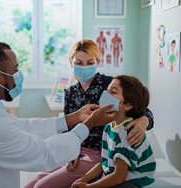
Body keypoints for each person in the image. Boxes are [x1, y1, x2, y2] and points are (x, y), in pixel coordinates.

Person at [0, 42, 116, 188]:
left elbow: (21, 126)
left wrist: (74, 118)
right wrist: (89, 123)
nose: (19, 75)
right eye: (15, 70)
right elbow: (44, 154)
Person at [25, 39, 154, 188]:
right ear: (71, 63)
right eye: (79, 63)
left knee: (41, 186)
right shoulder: (71, 92)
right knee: (31, 184)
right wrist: (69, 152)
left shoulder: (110, 85)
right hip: (75, 150)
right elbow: (68, 128)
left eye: (90, 62)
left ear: (97, 62)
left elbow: (141, 107)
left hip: (100, 154)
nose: (84, 67)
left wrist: (144, 121)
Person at [71, 75, 156, 188]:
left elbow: (119, 177)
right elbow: (104, 163)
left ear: (127, 105)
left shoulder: (127, 132)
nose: (106, 94)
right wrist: (83, 179)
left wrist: (89, 187)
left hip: (135, 181)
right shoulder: (109, 126)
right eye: (107, 89)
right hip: (118, 175)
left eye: (113, 92)